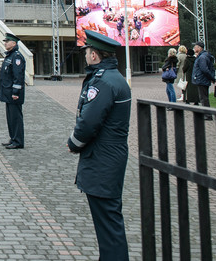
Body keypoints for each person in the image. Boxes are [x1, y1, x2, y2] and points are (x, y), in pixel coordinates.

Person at [67, 30, 132, 261]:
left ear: (94, 55)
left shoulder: (103, 82)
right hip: (108, 158)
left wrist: (73, 143)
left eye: (87, 52)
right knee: (108, 222)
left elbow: (89, 122)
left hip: (103, 160)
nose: (85, 55)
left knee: (108, 224)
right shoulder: (113, 77)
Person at [0, 32, 27, 149]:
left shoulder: (16, 57)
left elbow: (18, 76)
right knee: (10, 118)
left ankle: (18, 141)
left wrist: (16, 92)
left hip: (13, 94)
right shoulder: (10, 56)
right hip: (7, 92)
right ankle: (13, 138)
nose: (5, 43)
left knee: (16, 118)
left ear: (14, 43)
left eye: (7, 41)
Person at [191, 41, 216, 119]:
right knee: (203, 97)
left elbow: (204, 69)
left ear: (199, 48)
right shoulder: (202, 56)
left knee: (204, 98)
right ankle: (206, 114)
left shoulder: (202, 57)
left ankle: (208, 115)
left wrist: (212, 78)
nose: (194, 48)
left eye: (195, 46)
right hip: (202, 79)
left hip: (202, 79)